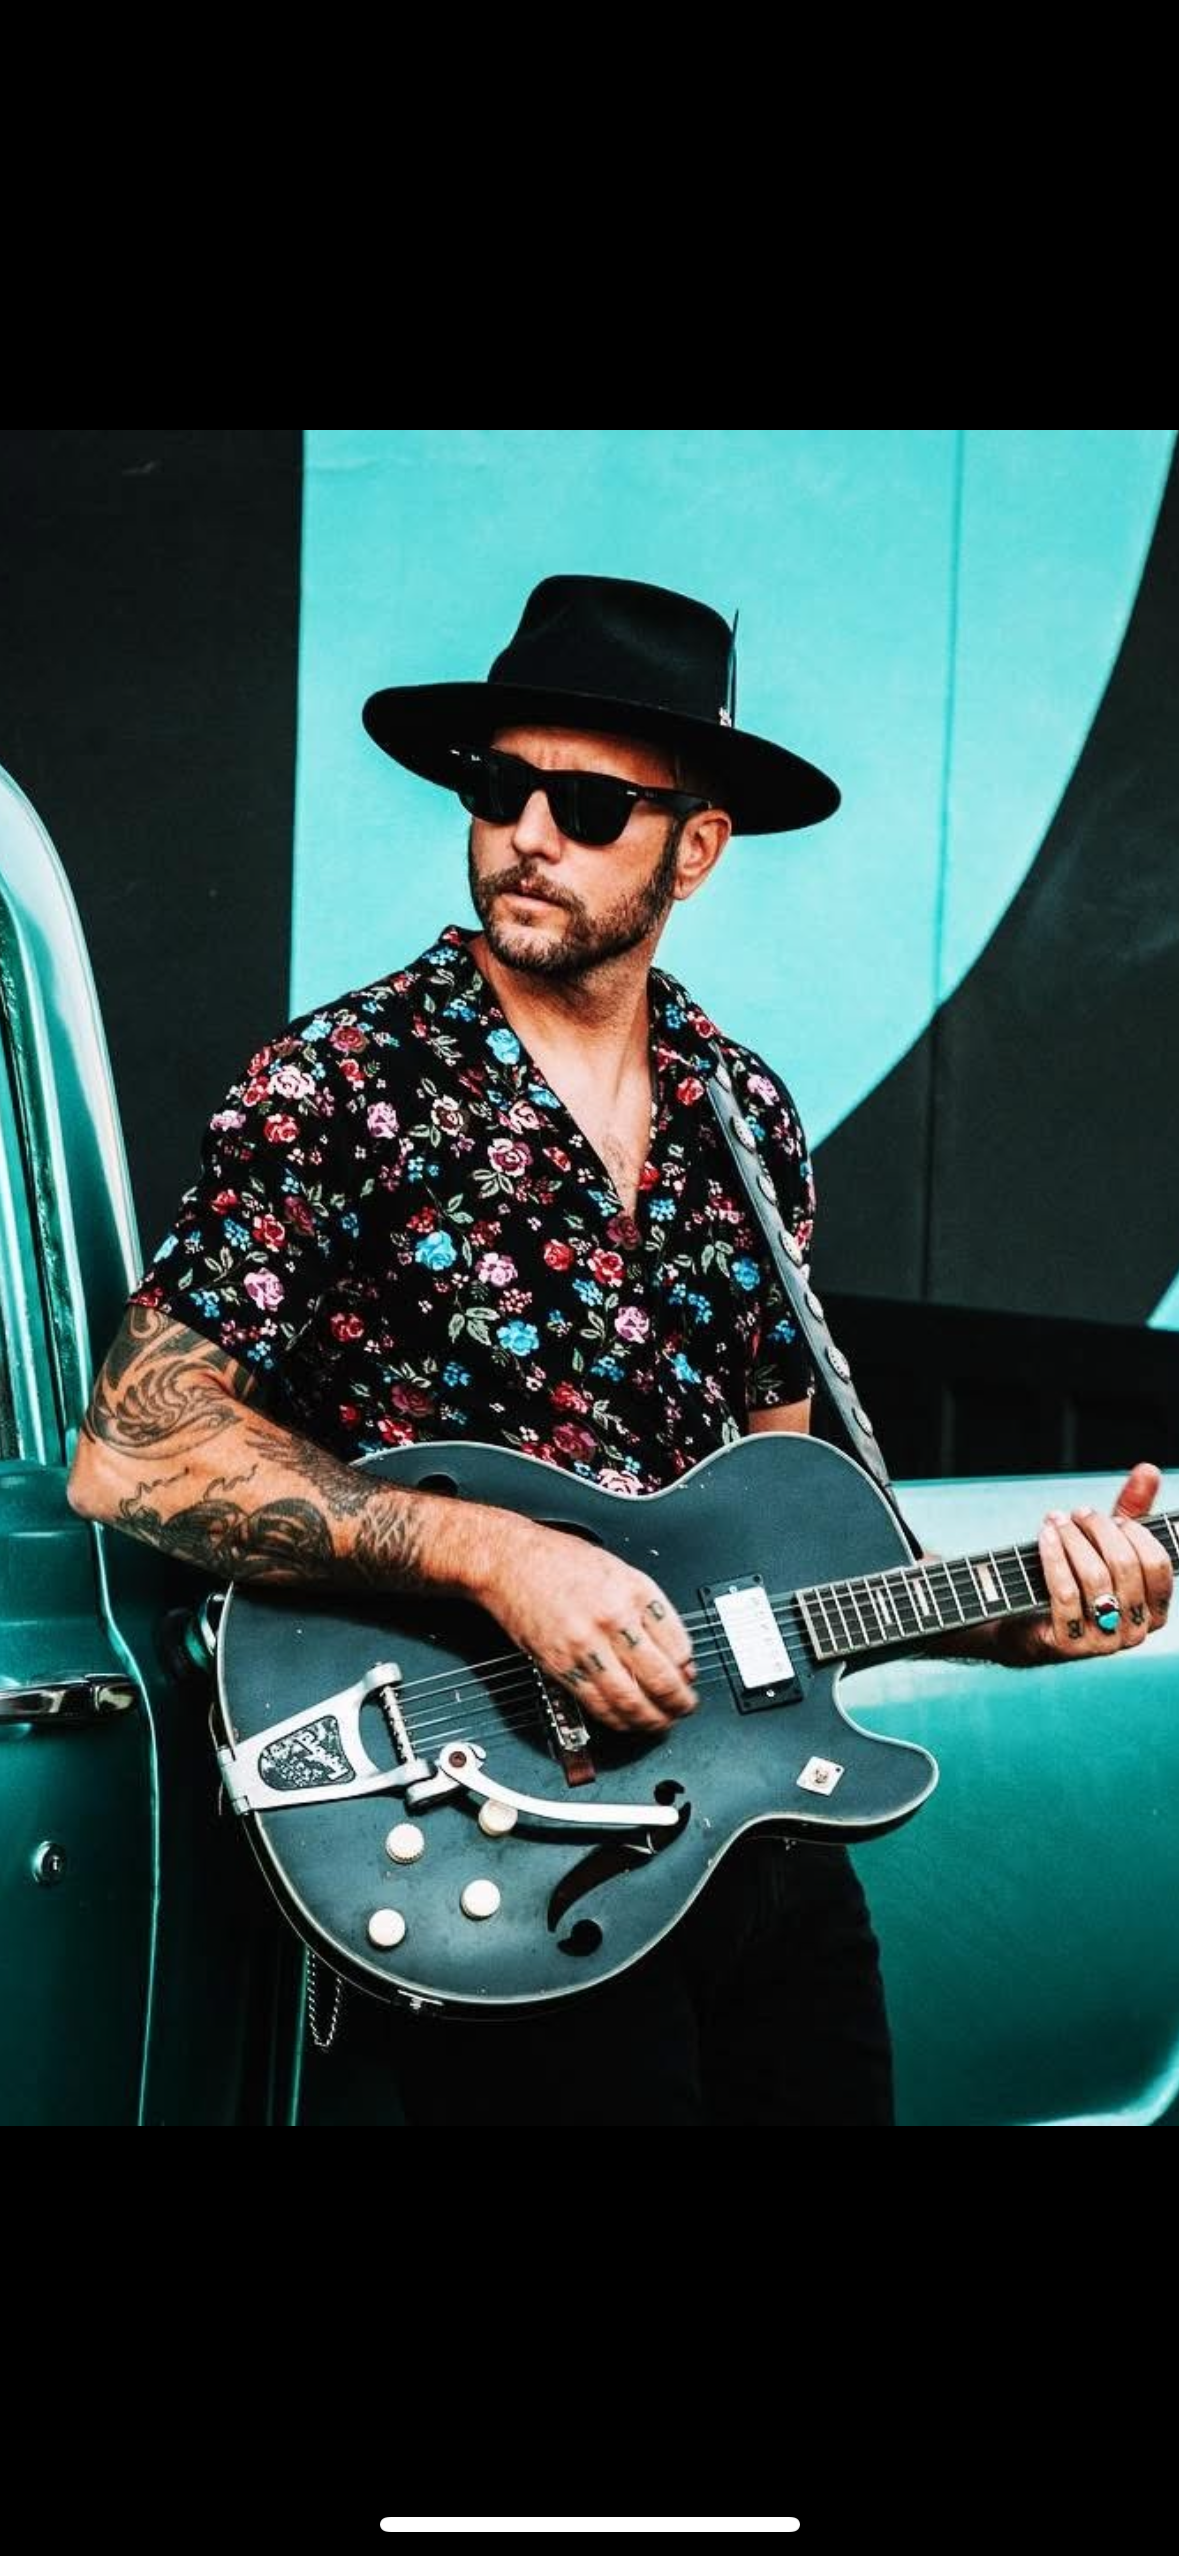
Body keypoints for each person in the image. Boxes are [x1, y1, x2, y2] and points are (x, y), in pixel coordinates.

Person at [67, 574, 1174, 2126]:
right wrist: (498, 1558)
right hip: (489, 1837)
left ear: (694, 848)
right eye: (498, 786)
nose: (527, 833)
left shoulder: (744, 1112)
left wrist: (1005, 1621)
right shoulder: (339, 1083)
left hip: (752, 1838)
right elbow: (135, 1451)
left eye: (587, 806)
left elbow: (781, 1551)